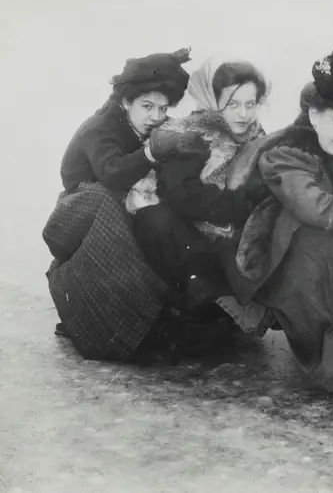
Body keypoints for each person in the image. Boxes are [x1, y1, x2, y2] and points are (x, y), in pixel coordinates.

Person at [222, 31, 333, 376]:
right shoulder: (287, 151)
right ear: (314, 112)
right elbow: (311, 206)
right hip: (263, 248)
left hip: (295, 233)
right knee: (317, 247)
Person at [43, 48, 210, 362]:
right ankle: (116, 323)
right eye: (147, 106)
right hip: (84, 218)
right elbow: (112, 173)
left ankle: (182, 305)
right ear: (125, 102)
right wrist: (151, 153)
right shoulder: (99, 129)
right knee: (120, 214)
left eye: (163, 108)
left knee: (167, 217)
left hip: (127, 210)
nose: (156, 117)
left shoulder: (150, 125)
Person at [126, 56, 271, 310]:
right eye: (233, 104)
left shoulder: (257, 138)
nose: (244, 114)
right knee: (157, 221)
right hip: (182, 235)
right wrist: (244, 204)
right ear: (214, 100)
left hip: (226, 233)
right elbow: (183, 196)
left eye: (250, 104)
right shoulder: (190, 135)